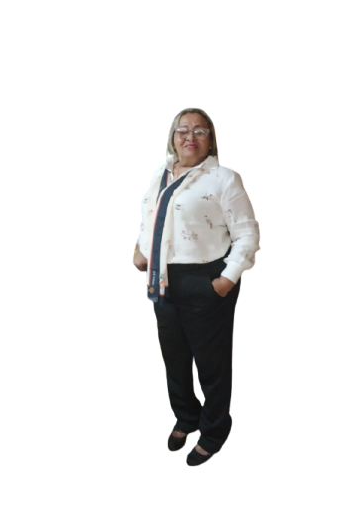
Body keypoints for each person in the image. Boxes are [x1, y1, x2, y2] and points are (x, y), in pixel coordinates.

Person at [132, 107, 260, 467]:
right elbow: (150, 218)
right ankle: (185, 418)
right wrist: (141, 249)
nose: (190, 137)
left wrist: (226, 280)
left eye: (200, 131)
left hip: (207, 281)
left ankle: (215, 431)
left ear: (211, 139)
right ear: (173, 138)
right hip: (163, 280)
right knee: (174, 359)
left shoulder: (224, 178)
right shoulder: (160, 173)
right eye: (183, 130)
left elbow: (247, 234)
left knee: (210, 364)